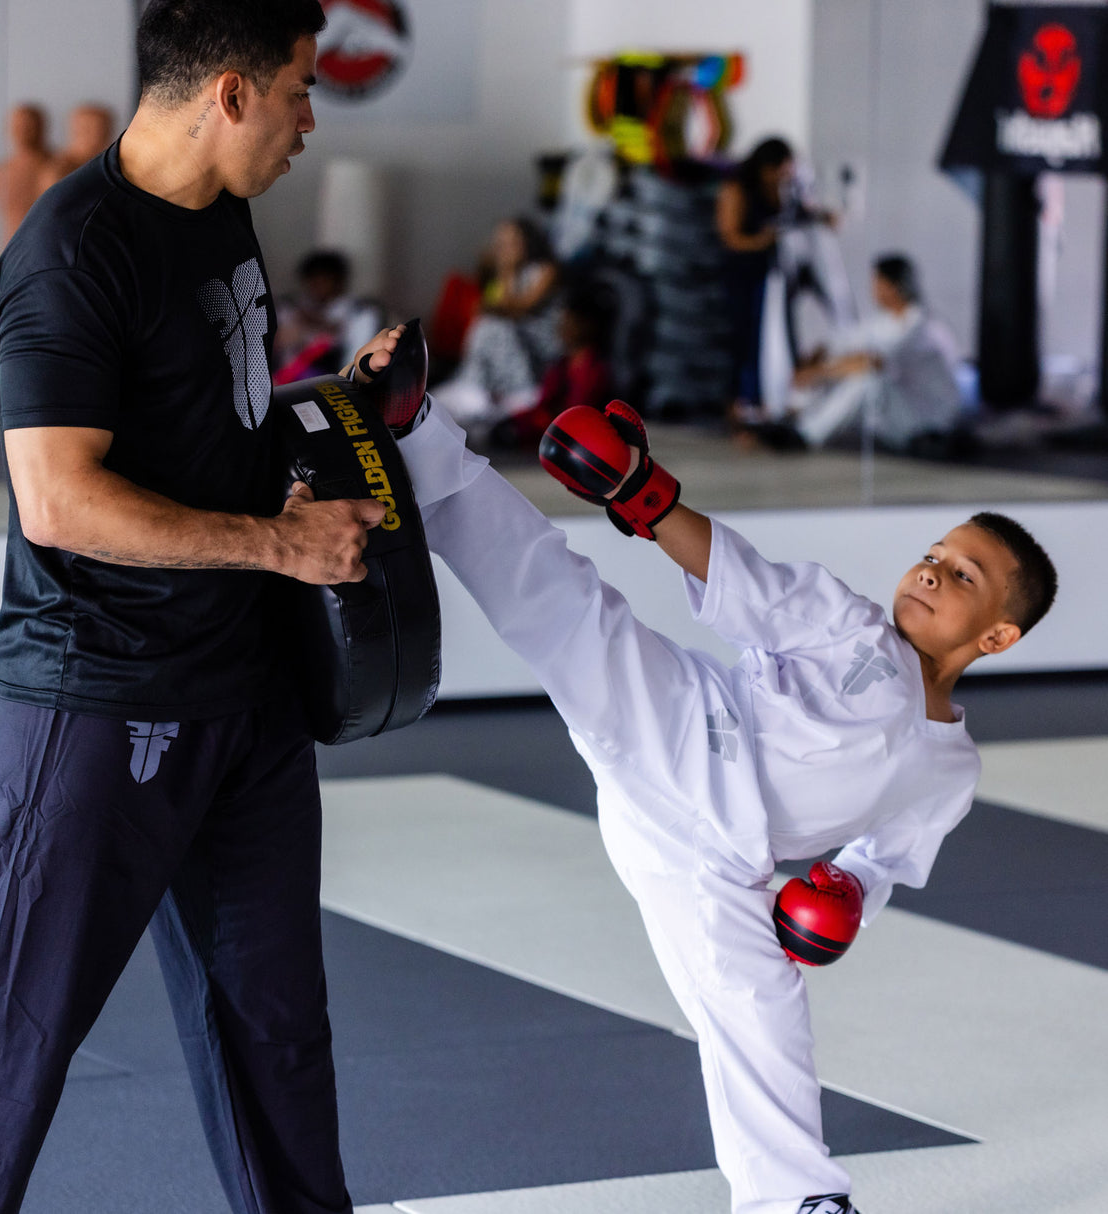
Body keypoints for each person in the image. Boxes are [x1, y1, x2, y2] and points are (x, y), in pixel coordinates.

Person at [0, 3, 407, 1212]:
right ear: (226, 94)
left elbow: (215, 411)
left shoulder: (223, 210)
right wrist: (278, 545)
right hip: (102, 693)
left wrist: (340, 402)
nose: (308, 117)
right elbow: (60, 500)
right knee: (4, 1039)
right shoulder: (75, 251)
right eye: (295, 88)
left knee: (277, 1029)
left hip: (246, 689)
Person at [388, 390, 1056, 1214]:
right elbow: (736, 572)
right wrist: (642, 490)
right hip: (684, 728)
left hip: (719, 860)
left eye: (964, 576)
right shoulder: (847, 624)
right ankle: (418, 434)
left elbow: (885, 861)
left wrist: (846, 894)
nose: (930, 571)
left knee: (761, 1012)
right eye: (933, 553)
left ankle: (798, 1202)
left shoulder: (950, 770)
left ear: (997, 636)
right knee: (561, 600)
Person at [775, 254, 964, 454]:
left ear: (893, 286)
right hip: (904, 411)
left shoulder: (921, 326)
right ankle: (790, 415)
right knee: (829, 368)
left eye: (877, 283)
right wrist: (817, 360)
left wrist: (820, 372)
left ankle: (804, 435)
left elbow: (873, 362)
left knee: (868, 381)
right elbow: (843, 344)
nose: (873, 290)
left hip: (930, 420)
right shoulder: (884, 322)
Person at [716, 137, 838, 427]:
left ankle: (773, 402)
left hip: (775, 276)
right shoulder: (738, 189)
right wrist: (761, 241)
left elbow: (801, 212)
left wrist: (823, 217)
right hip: (744, 274)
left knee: (779, 339)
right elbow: (730, 236)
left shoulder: (783, 189)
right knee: (745, 342)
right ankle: (741, 408)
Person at [434, 216, 561, 429]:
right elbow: (487, 306)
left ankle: (522, 392)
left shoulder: (544, 270)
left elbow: (518, 309)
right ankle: (476, 387)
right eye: (501, 244)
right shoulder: (499, 277)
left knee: (494, 326)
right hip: (510, 335)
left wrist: (508, 272)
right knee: (485, 325)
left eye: (513, 242)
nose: (506, 249)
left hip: (539, 341)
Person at [492, 281, 614, 447]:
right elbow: (544, 404)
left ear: (588, 325)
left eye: (570, 321)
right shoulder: (561, 365)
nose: (563, 327)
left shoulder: (594, 370)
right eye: (563, 321)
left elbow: (576, 414)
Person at [273, 249, 385, 385]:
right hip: (287, 382)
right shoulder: (290, 307)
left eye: (325, 279)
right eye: (313, 280)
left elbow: (357, 358)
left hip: (338, 383)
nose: (318, 285)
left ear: (339, 281)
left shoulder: (361, 313)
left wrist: (320, 327)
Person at [0, 103, 54, 246]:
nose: (24, 131)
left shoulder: (58, 168)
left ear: (42, 127)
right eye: (18, 126)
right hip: (13, 248)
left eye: (30, 125)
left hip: (50, 247)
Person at [38, 103, 116, 188]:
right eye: (87, 129)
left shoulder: (111, 165)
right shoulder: (61, 170)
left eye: (102, 129)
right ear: (74, 130)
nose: (97, 134)